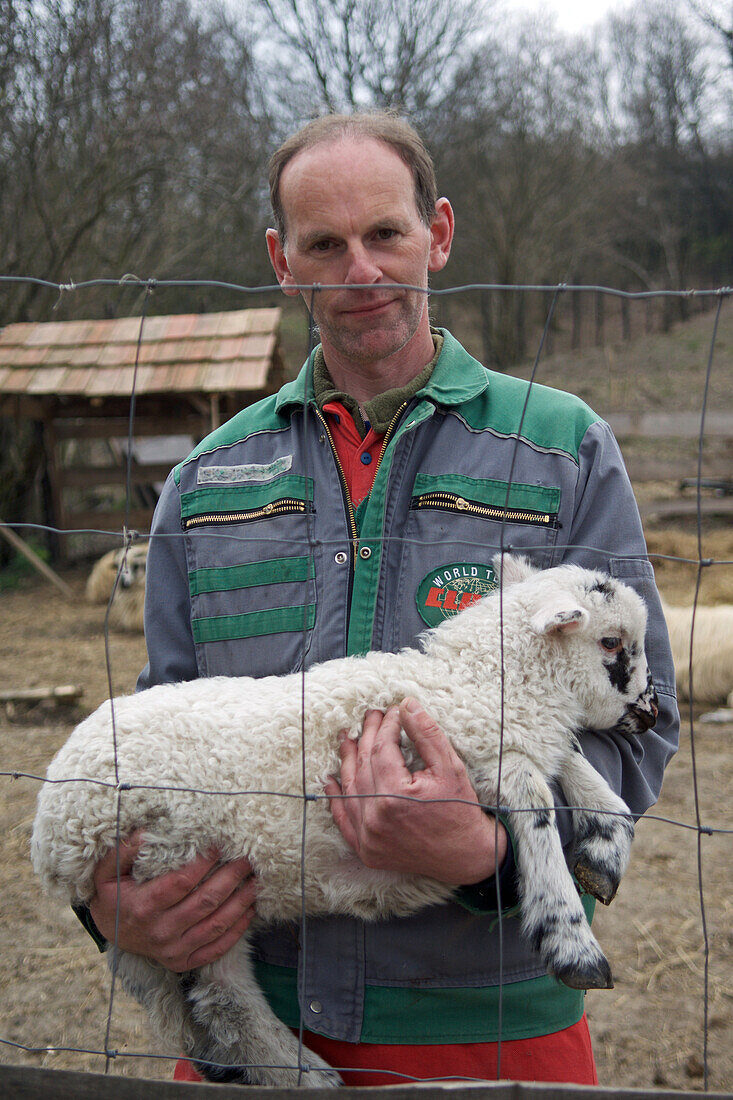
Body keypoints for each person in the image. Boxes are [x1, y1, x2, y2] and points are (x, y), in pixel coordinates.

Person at [85, 112, 679, 1086]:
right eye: (325, 243)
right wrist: (114, 905)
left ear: (438, 233)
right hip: (251, 1024)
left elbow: (642, 714)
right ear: (283, 261)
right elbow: (152, 731)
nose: (359, 269)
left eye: (385, 234)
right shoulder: (208, 481)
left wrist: (488, 853)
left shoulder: (560, 450)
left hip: (490, 1028)